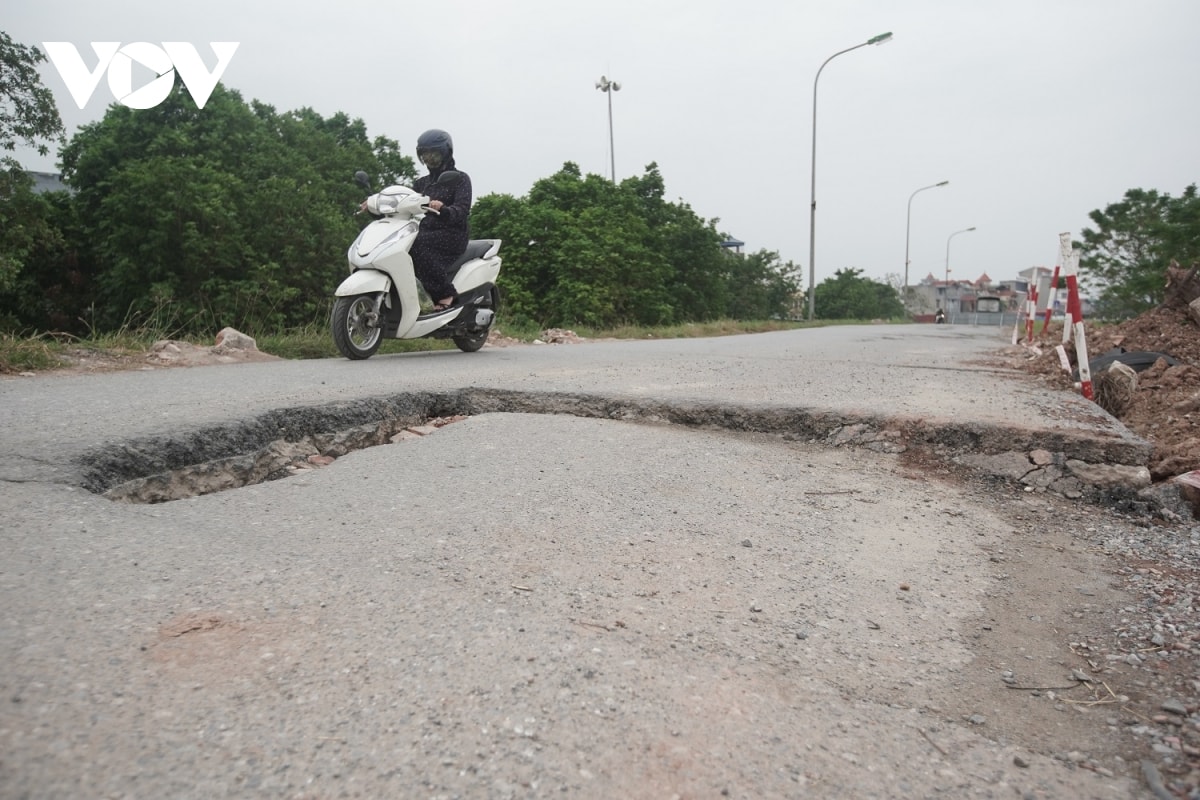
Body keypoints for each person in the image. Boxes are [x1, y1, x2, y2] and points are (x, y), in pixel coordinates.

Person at [410, 129, 472, 311]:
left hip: (452, 234)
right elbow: (406, 201)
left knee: (416, 243)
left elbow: (462, 209)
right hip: (425, 231)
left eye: (434, 154)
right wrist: (376, 200)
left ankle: (445, 293)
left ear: (445, 153)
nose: (429, 158)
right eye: (425, 154)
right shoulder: (421, 183)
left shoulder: (460, 179)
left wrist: (444, 209)